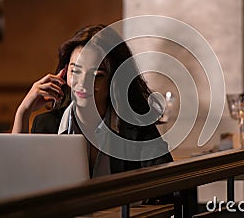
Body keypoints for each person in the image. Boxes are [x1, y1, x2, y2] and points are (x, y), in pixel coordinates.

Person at [12, 25, 173, 180]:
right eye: (75, 71)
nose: (83, 83)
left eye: (97, 74)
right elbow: (17, 178)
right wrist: (24, 111)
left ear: (114, 80)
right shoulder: (47, 124)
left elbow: (166, 183)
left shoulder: (136, 127)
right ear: (64, 72)